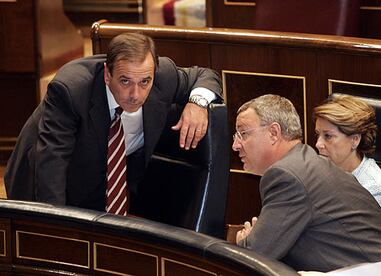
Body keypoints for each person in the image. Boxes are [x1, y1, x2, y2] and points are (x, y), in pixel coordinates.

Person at [4, 32, 222, 216]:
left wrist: (197, 103)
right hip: (41, 176)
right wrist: (59, 231)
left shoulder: (164, 76)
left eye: (145, 82)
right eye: (125, 81)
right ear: (108, 75)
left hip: (102, 179)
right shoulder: (70, 90)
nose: (135, 95)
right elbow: (52, 165)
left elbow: (206, 75)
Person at [232, 94, 381, 272]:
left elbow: (254, 256)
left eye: (243, 133)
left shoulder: (288, 175)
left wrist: (245, 242)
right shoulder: (304, 165)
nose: (235, 145)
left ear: (273, 133)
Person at [313, 95, 381, 222]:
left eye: (328, 136)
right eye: (318, 135)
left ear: (355, 140)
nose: (318, 144)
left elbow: (370, 240)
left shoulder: (376, 188)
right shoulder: (316, 170)